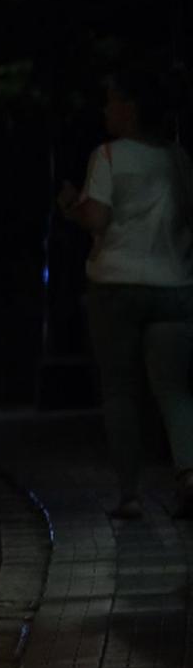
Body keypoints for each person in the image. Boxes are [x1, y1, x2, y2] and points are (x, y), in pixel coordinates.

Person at [57, 66, 193, 519]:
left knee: (120, 390)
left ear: (130, 107)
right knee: (174, 389)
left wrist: (72, 207)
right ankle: (188, 474)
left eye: (111, 99)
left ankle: (130, 494)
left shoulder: (108, 156)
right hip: (174, 283)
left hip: (116, 284)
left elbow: (97, 219)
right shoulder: (177, 158)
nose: (105, 108)